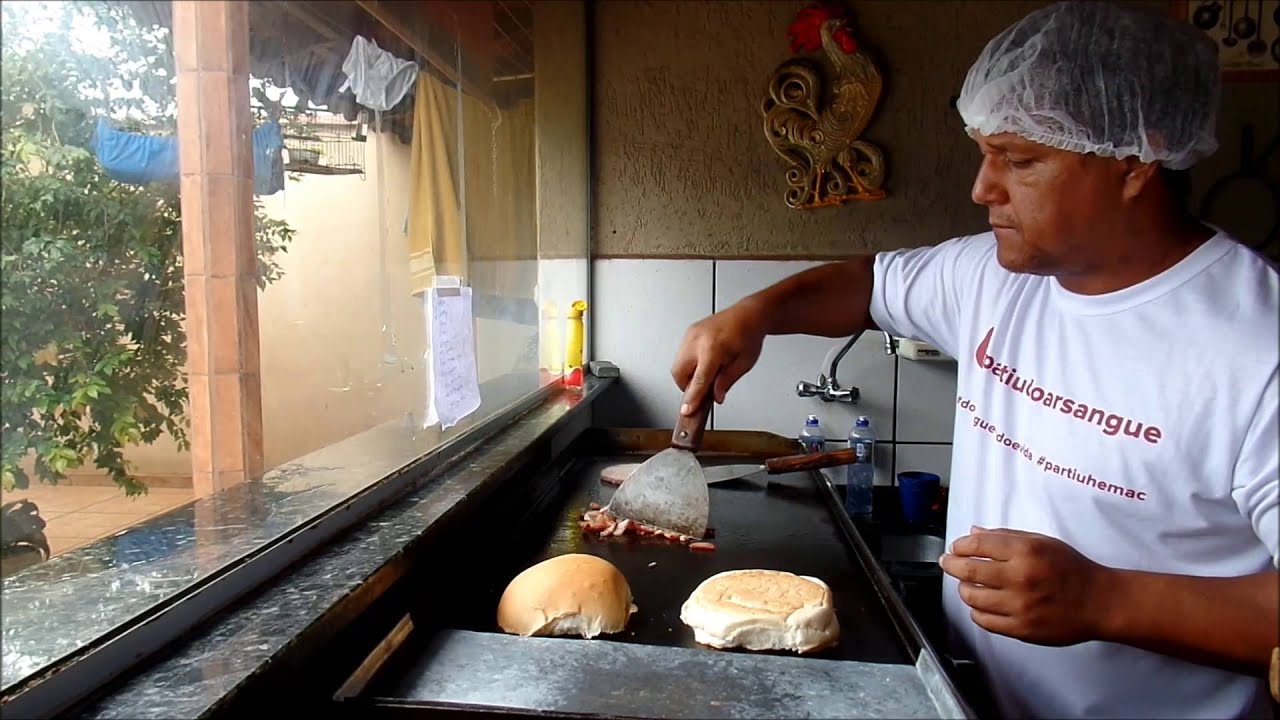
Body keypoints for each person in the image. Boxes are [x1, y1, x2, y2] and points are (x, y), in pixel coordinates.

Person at [670, 2, 1279, 718]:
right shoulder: (991, 275)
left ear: (1134, 161)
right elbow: (868, 285)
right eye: (986, 154)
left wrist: (1106, 600)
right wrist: (756, 313)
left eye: (1019, 160)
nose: (982, 188)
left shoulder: (1255, 346)